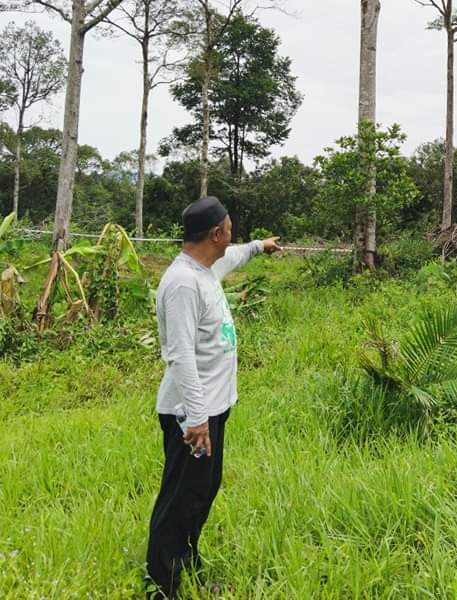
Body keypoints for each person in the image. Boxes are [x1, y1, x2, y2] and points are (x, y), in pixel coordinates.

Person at [145, 196, 281, 598]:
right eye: (229, 226)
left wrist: (261, 247)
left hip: (211, 409)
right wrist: (197, 419)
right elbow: (180, 355)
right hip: (192, 416)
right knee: (180, 498)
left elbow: (234, 257)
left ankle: (186, 564)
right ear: (215, 233)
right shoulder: (183, 284)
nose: (232, 232)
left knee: (201, 492)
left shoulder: (205, 267)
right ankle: (161, 585)